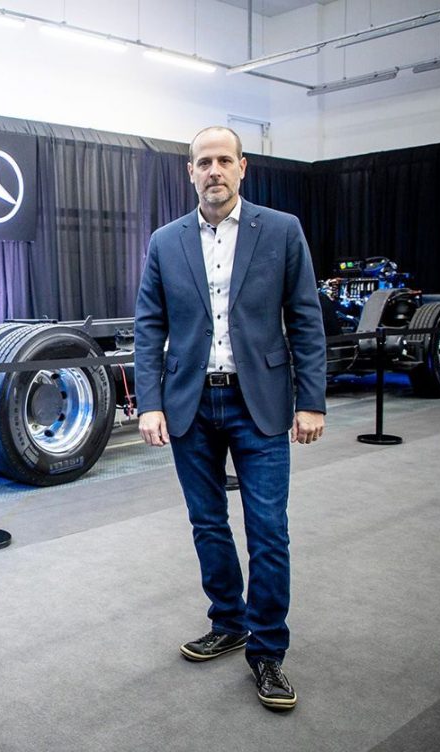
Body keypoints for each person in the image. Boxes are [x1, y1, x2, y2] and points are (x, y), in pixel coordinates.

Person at [133, 126, 327, 712]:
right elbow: (149, 327)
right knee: (208, 523)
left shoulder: (282, 230)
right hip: (191, 402)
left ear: (243, 168)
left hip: (260, 401)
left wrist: (311, 400)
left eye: (224, 160)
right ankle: (229, 620)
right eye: (202, 162)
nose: (213, 170)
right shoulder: (165, 242)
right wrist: (150, 401)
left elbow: (306, 319)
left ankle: (267, 651)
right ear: (189, 173)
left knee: (269, 531)